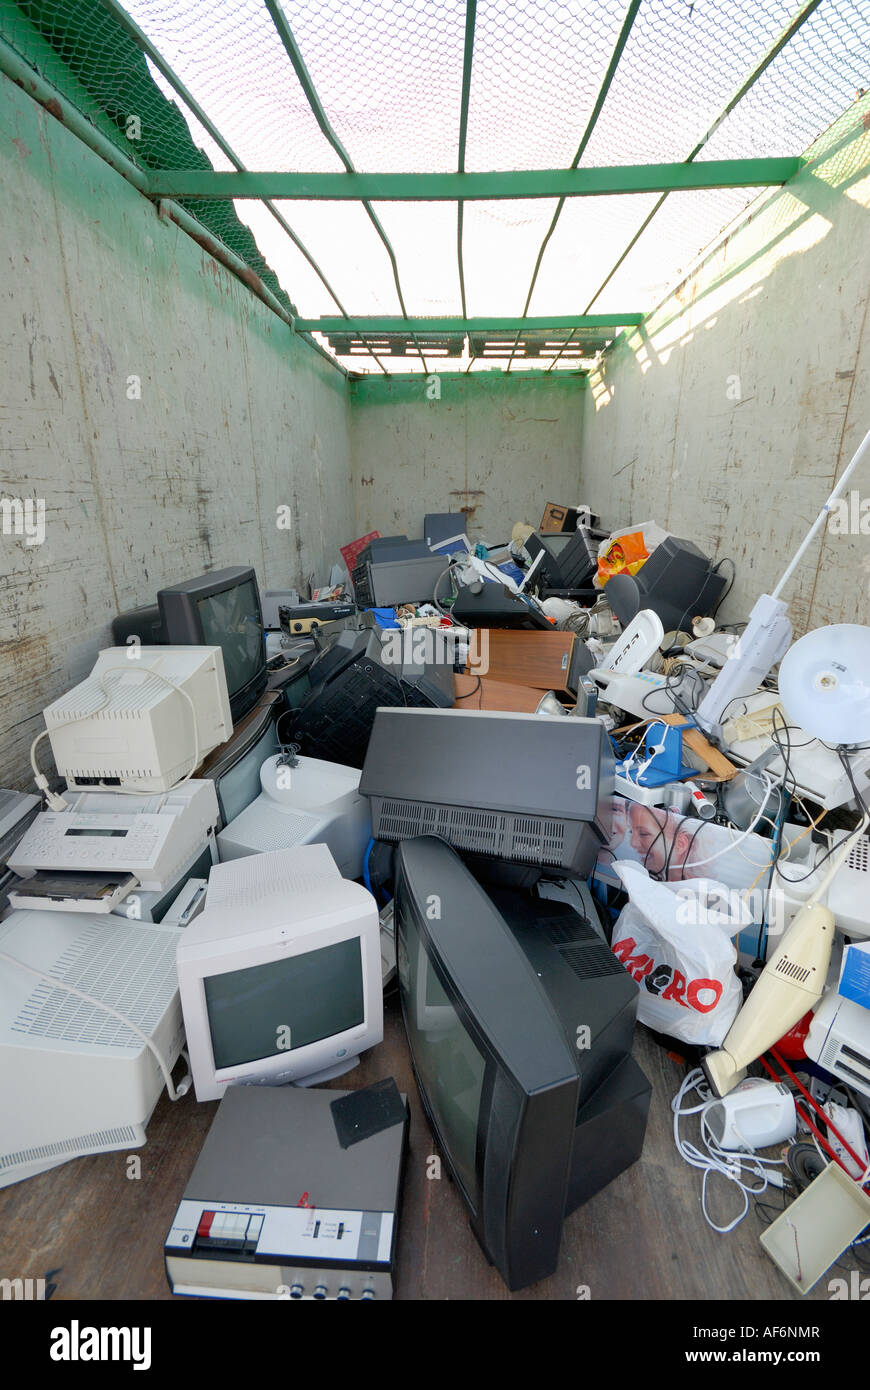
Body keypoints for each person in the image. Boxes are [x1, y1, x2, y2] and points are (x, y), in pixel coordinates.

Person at [627, 802, 709, 880]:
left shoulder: (699, 890)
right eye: (631, 832)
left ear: (680, 844)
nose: (632, 843)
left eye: (643, 834)